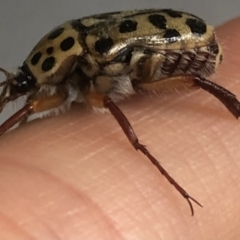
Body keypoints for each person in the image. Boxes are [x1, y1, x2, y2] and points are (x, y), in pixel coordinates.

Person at [1, 17, 240, 240]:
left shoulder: (93, 56)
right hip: (173, 35)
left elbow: (100, 101)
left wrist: (137, 145)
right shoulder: (73, 44)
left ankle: (141, 145)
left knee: (195, 82)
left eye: (27, 82)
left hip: (191, 48)